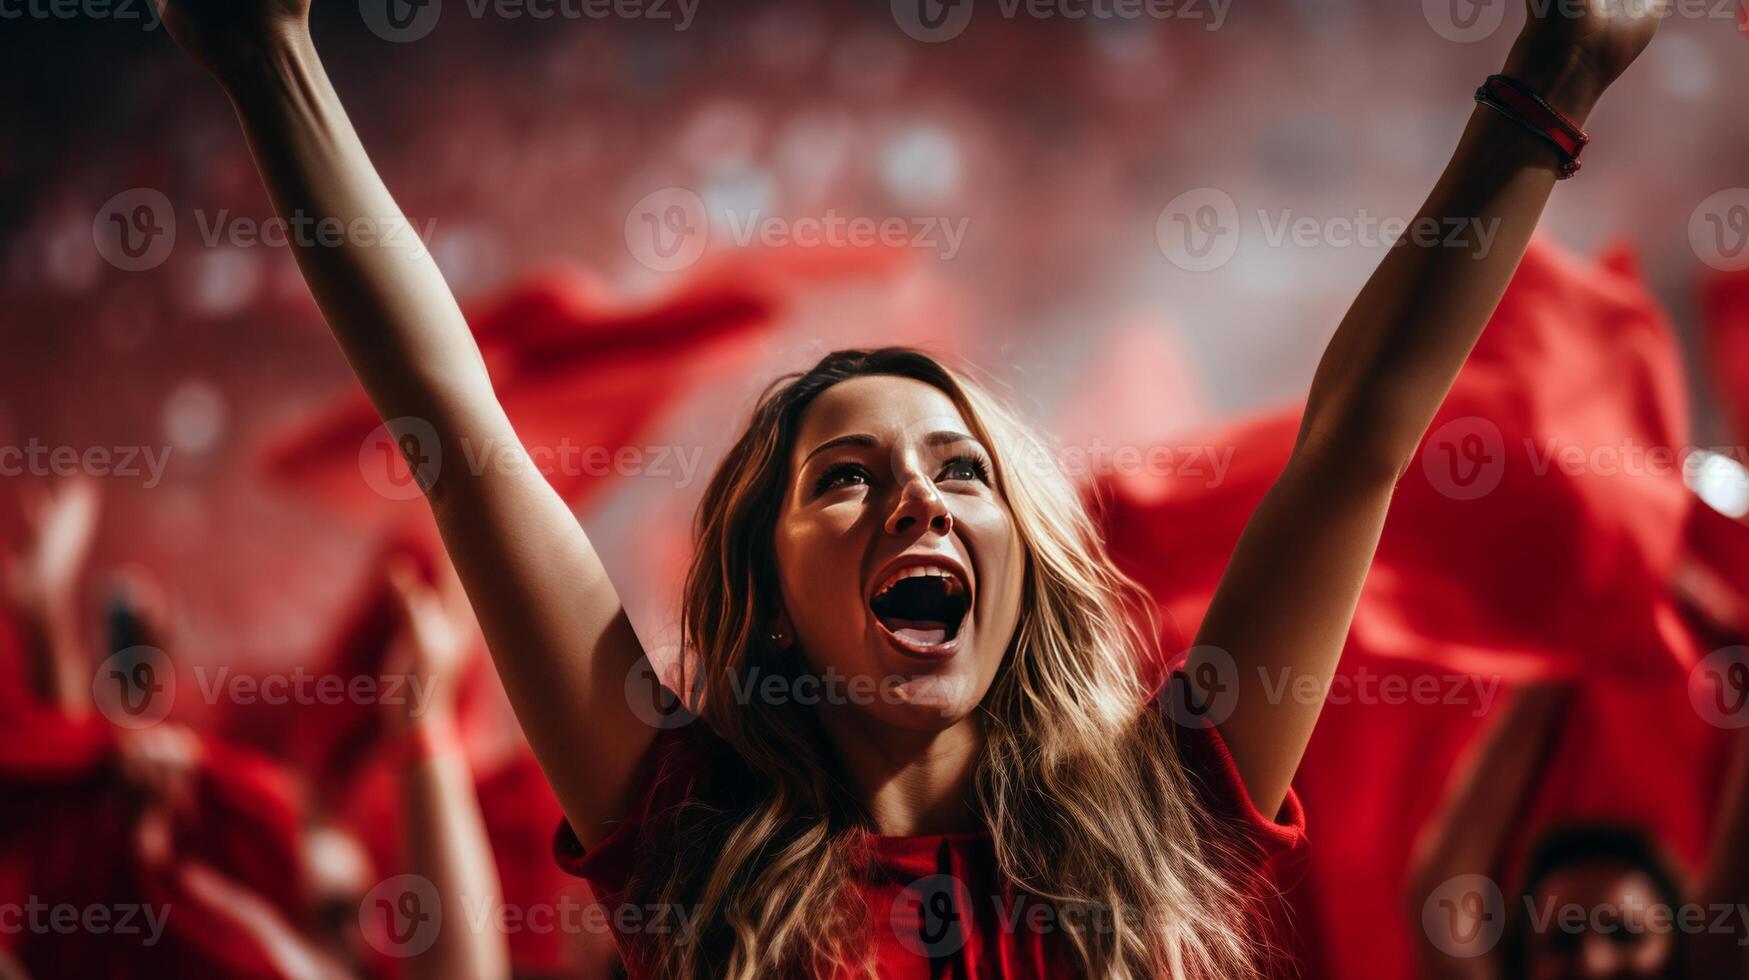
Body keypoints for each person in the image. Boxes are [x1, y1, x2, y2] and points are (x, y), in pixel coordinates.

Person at [150, 0, 1665, 974]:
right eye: (845, 480)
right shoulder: (683, 823)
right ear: (765, 586)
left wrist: (1556, 73)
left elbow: (1357, 439)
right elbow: (457, 423)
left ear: (1022, 560)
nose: (918, 504)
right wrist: (268, 58)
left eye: (960, 468)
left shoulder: (1168, 803)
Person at [1406, 681, 1749, 980]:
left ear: (1681, 954)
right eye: (1562, 940)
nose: (1593, 964)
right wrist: (1561, 649)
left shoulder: (1711, 965)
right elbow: (1445, 896)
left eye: (1624, 934)